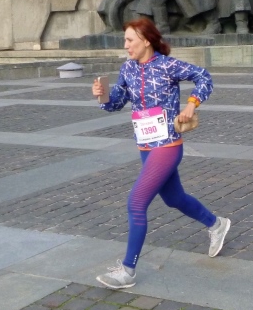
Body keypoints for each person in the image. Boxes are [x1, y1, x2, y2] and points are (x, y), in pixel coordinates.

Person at [91, 18, 231, 289]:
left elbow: (204, 76)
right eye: (125, 40)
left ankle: (127, 271)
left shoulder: (167, 65)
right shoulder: (128, 68)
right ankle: (217, 225)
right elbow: (115, 103)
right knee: (174, 198)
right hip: (145, 145)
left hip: (167, 145)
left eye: (130, 40)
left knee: (136, 203)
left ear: (146, 40)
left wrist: (191, 104)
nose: (126, 45)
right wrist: (102, 96)